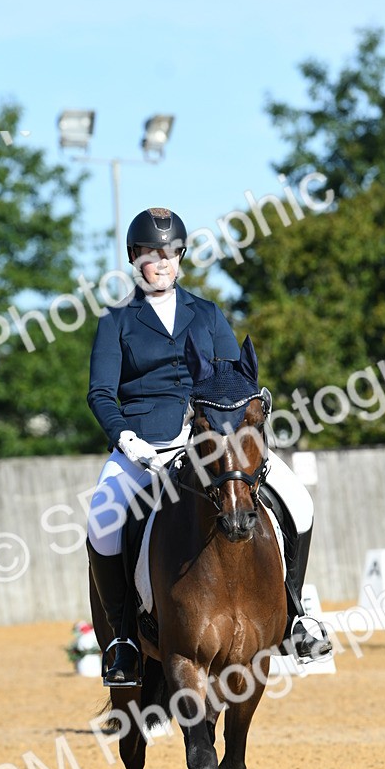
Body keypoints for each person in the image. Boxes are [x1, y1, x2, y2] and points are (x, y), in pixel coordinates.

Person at [86, 206, 332, 686]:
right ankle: (123, 641)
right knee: (101, 520)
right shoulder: (117, 320)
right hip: (148, 441)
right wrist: (125, 437)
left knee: (297, 501)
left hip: (215, 438)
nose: (164, 262)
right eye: (153, 255)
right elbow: (100, 392)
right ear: (135, 259)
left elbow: (232, 377)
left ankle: (297, 614)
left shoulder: (207, 313)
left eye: (172, 253)